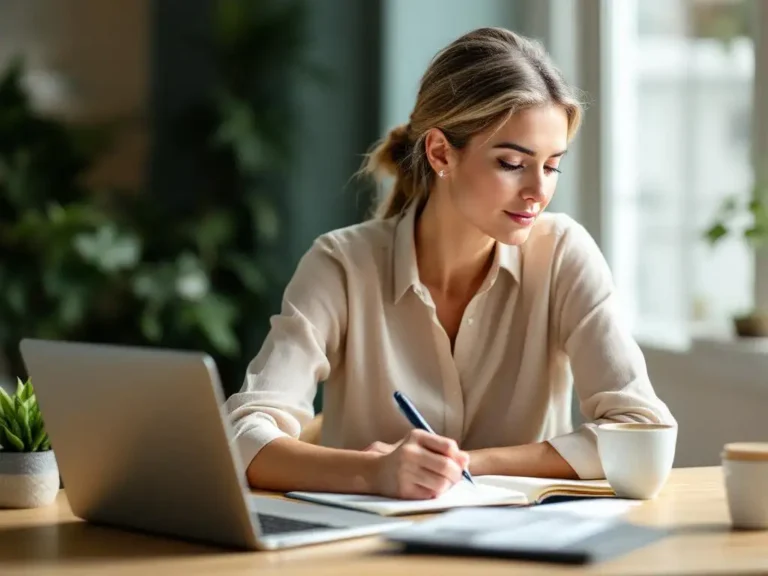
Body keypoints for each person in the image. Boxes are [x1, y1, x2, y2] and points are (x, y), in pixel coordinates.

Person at [225, 27, 675, 500]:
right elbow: (242, 438)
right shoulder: (341, 264)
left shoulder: (564, 254)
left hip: (521, 554)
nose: (538, 192)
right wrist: (373, 474)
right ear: (441, 152)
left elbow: (644, 431)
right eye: (511, 163)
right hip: (367, 553)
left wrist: (463, 465)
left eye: (551, 165)